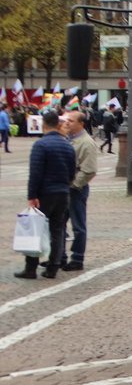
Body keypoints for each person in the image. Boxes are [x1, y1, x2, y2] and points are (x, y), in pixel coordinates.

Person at [14, 109, 76, 280]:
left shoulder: (40, 145)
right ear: (58, 124)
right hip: (63, 192)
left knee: (36, 229)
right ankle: (53, 267)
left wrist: (32, 195)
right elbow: (72, 171)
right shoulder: (67, 145)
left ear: (43, 124)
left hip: (45, 193)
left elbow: (35, 173)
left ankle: (31, 268)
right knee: (58, 230)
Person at [60, 109, 97, 271]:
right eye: (66, 120)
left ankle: (77, 258)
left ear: (81, 124)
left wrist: (74, 185)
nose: (67, 123)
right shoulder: (66, 139)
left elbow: (89, 170)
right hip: (64, 188)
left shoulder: (86, 142)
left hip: (76, 189)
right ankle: (59, 256)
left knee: (78, 225)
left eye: (71, 121)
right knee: (59, 223)